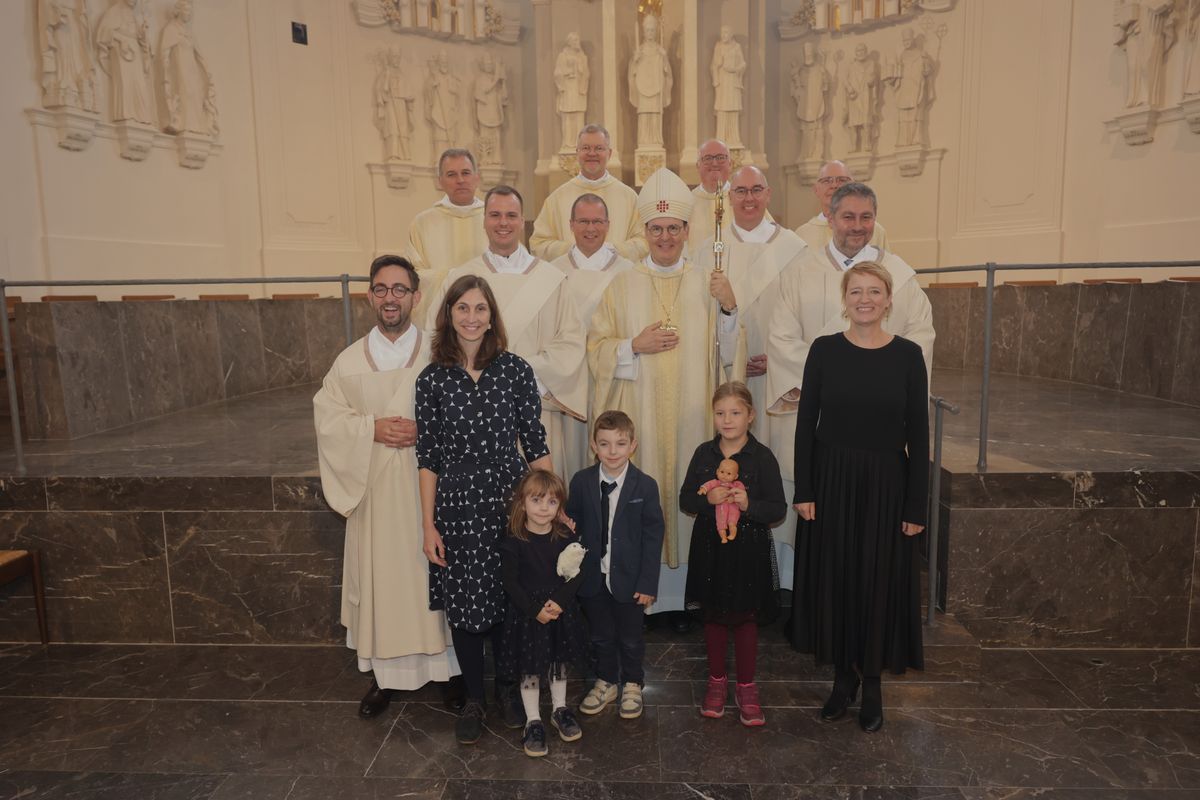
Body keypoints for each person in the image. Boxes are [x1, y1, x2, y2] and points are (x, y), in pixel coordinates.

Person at [587, 167, 743, 612]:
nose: (665, 237)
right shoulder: (622, 284)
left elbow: (729, 354)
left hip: (694, 415)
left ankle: (688, 599)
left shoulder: (707, 281)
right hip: (644, 420)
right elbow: (595, 347)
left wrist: (729, 305)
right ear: (645, 231)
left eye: (673, 228)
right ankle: (645, 596)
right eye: (656, 229)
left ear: (687, 230)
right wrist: (632, 346)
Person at [314, 255, 462, 719]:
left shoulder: (442, 354)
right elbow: (328, 420)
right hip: (375, 490)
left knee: (432, 576)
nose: (390, 298)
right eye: (381, 289)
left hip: (431, 487)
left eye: (400, 289)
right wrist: (370, 430)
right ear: (369, 296)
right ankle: (384, 679)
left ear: (417, 297)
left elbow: (466, 410)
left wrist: (427, 429)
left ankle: (450, 673)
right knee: (385, 580)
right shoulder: (348, 362)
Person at [789, 262, 930, 733]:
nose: (864, 299)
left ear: (889, 300)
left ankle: (872, 683)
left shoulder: (909, 356)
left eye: (874, 292)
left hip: (888, 482)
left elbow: (921, 436)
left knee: (877, 581)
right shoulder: (824, 350)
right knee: (838, 578)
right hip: (831, 480)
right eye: (856, 291)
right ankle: (841, 679)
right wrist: (804, 489)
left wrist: (916, 506)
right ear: (844, 299)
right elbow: (805, 423)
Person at [416, 274, 554, 744]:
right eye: (462, 308)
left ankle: (509, 691)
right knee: (466, 605)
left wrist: (550, 503)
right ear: (449, 315)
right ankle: (474, 697)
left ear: (491, 315)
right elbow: (428, 458)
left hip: (508, 498)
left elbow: (534, 441)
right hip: (456, 504)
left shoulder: (514, 369)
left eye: (480, 308)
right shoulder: (432, 378)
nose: (471, 317)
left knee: (511, 599)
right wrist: (428, 523)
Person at [425, 185, 587, 479]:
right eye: (495, 215)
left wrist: (519, 381)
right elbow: (437, 339)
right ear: (484, 220)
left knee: (536, 509)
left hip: (538, 412)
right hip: (470, 419)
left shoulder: (551, 280)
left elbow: (572, 343)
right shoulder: (458, 278)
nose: (503, 223)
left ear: (522, 220)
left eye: (511, 215)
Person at [681, 382, 786, 727]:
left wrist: (748, 505)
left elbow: (777, 508)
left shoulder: (763, 457)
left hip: (749, 550)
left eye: (735, 413)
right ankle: (716, 682)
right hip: (710, 549)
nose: (727, 420)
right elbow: (685, 499)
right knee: (712, 615)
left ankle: (746, 685)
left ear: (751, 416)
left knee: (745, 617)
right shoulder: (703, 454)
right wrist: (706, 502)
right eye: (720, 413)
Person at [769, 182, 933, 391]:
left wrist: (881, 372)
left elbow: (921, 334)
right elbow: (783, 339)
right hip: (823, 396)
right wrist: (836, 374)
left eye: (866, 217)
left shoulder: (898, 273)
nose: (857, 226)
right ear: (830, 218)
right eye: (848, 217)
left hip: (882, 392)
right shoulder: (800, 274)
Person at [566, 410, 664, 722]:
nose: (612, 452)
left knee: (631, 637)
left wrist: (648, 583)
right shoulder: (582, 482)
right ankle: (606, 681)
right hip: (592, 579)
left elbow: (653, 537)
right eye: (604, 444)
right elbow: (574, 525)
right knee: (600, 635)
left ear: (632, 445)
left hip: (630, 580)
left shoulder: (645, 486)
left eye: (620, 444)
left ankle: (633, 682)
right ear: (594, 445)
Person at [499, 469, 588, 758]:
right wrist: (534, 610)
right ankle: (533, 720)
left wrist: (560, 602)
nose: (543, 508)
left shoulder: (564, 536)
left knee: (558, 663)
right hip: (528, 615)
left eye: (551, 502)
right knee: (530, 668)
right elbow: (510, 582)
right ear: (522, 503)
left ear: (559, 506)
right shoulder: (513, 540)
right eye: (536, 500)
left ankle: (559, 709)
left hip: (558, 611)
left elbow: (575, 574)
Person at [550, 194, 635, 475]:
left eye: (597, 221)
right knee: (570, 463)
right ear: (571, 224)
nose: (590, 228)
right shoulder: (552, 273)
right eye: (583, 221)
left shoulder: (628, 272)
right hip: (566, 385)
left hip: (612, 381)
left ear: (608, 224)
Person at [531, 124, 649, 262]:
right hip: (572, 278)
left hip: (615, 278)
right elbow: (538, 244)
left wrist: (613, 250)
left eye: (599, 148)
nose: (592, 153)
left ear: (609, 153)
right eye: (586, 148)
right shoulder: (556, 198)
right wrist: (574, 251)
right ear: (577, 153)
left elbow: (645, 241)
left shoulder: (629, 197)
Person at [404, 149, 487, 323]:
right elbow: (413, 275)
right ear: (440, 181)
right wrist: (453, 277)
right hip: (441, 319)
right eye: (451, 174)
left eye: (466, 173)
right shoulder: (423, 223)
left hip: (486, 317)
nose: (460, 180)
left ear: (476, 178)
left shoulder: (494, 219)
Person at [794, 161, 889, 250]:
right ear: (816, 190)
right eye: (827, 181)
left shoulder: (874, 231)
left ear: (853, 186)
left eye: (842, 180)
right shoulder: (802, 234)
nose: (834, 185)